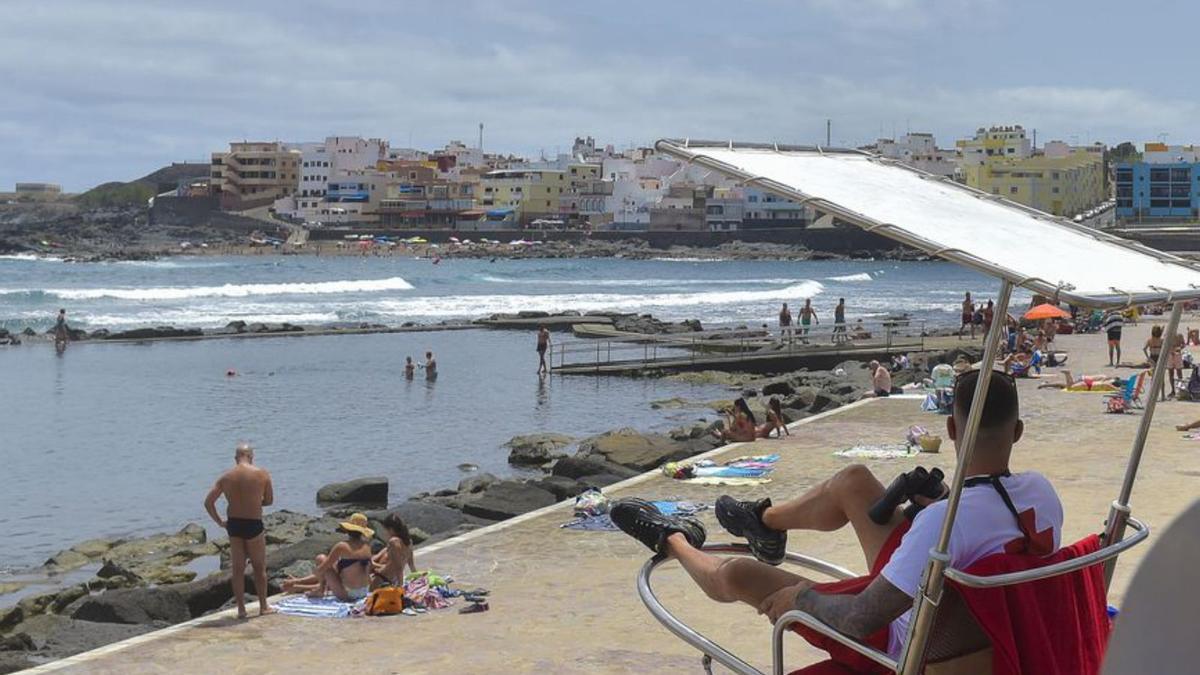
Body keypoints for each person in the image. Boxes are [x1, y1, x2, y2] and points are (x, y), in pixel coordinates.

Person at [609, 369, 1061, 664]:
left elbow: (861, 619)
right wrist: (940, 496)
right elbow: (984, 530)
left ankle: (674, 539)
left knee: (743, 575)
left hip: (908, 647)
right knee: (855, 481)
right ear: (1017, 432)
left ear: (950, 429)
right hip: (974, 630)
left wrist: (801, 600)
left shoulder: (943, 525)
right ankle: (764, 523)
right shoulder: (1042, 494)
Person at [203, 443, 275, 619]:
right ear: (251, 456)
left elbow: (208, 502)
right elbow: (270, 501)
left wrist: (220, 522)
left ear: (236, 458)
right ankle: (263, 606)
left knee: (237, 569)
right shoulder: (262, 474)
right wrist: (255, 502)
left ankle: (241, 610)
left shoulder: (226, 477)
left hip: (234, 525)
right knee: (259, 568)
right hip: (253, 523)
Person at [281, 513, 375, 601]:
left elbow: (321, 570)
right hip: (364, 591)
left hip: (348, 594)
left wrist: (314, 575)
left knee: (321, 559)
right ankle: (298, 585)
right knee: (334, 565)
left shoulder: (342, 546)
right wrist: (298, 581)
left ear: (347, 530)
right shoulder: (367, 546)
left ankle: (319, 590)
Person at [371, 513, 416, 589]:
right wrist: (416, 577)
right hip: (393, 579)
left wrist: (400, 585)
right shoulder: (409, 541)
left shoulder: (393, 542)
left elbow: (398, 567)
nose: (385, 533)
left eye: (385, 530)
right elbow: (411, 564)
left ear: (391, 529)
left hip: (383, 578)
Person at [1144, 326, 1165, 401]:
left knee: (1154, 377)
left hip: (1153, 357)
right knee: (1160, 377)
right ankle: (1162, 395)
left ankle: (1153, 395)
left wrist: (1148, 358)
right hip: (1158, 357)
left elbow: (1144, 349)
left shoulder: (1150, 340)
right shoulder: (1161, 340)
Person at [1168, 332, 1185, 398]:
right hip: (1170, 354)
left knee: (1179, 373)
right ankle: (1173, 390)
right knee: (1171, 373)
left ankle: (1180, 389)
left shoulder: (1179, 335)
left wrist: (1180, 348)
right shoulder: (1168, 334)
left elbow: (1183, 344)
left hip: (1177, 354)